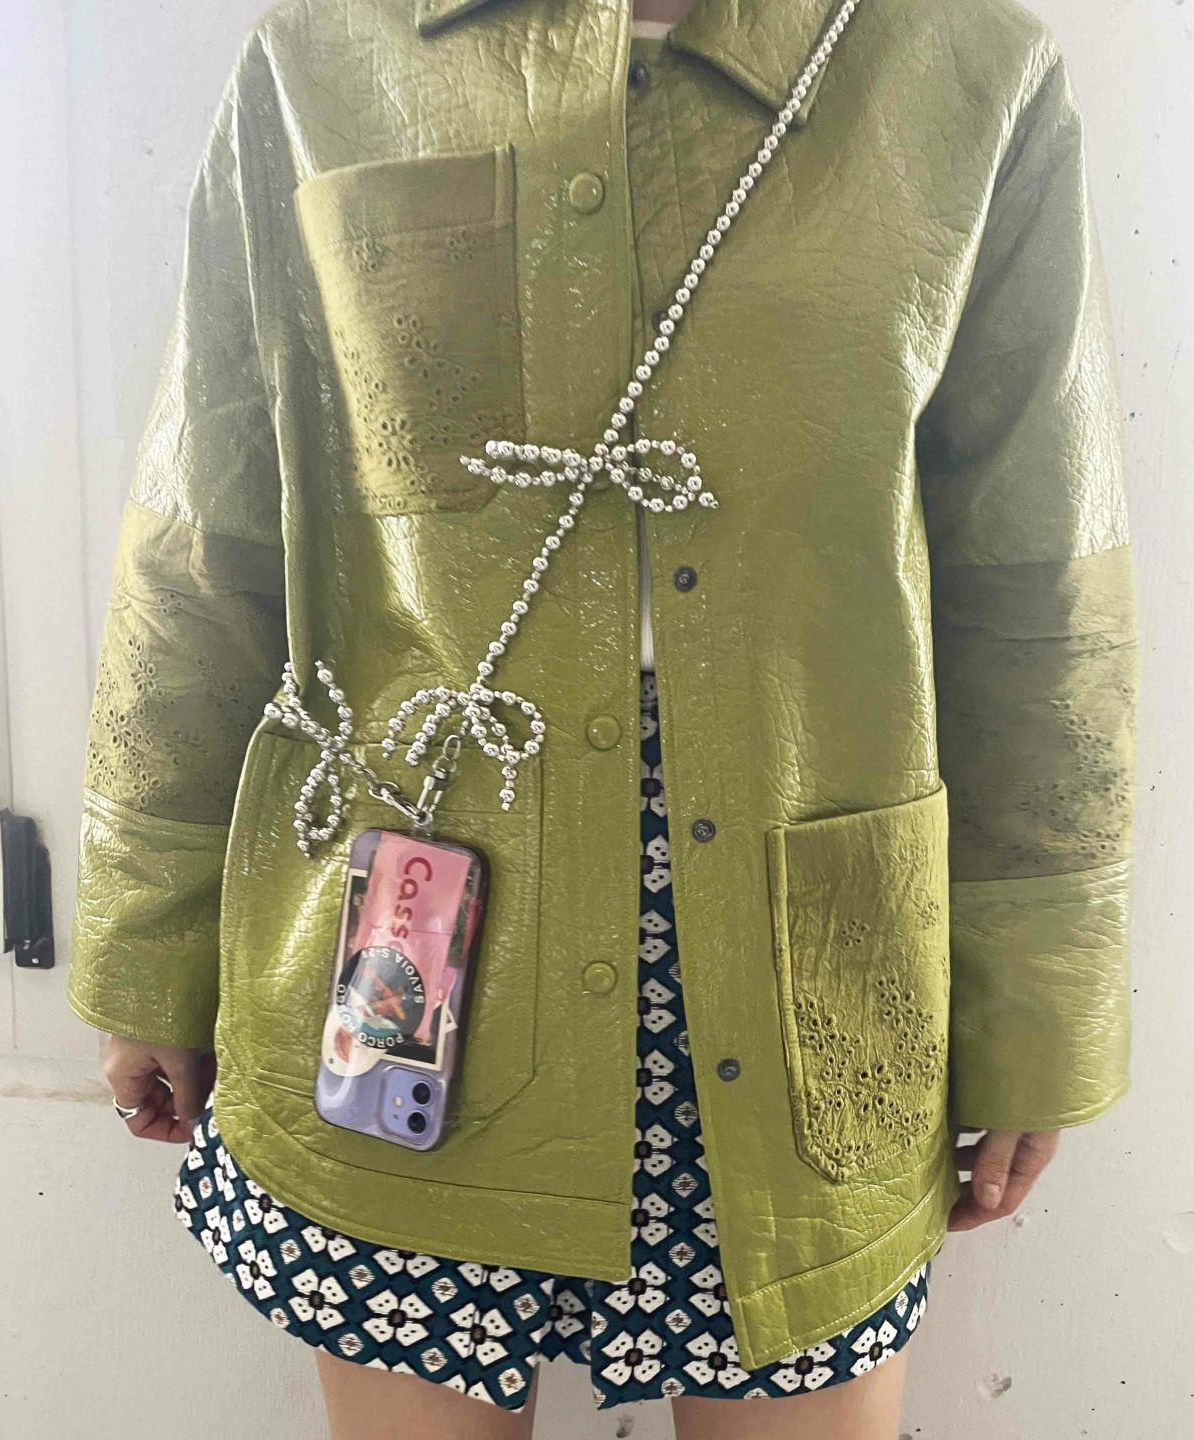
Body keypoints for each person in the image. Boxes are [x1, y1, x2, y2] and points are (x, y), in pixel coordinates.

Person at [68, 0, 1139, 1435]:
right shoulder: (325, 54)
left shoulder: (964, 68)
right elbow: (210, 541)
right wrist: (146, 942)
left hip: (801, 967)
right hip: (405, 950)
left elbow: (1038, 588)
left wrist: (1041, 1010)